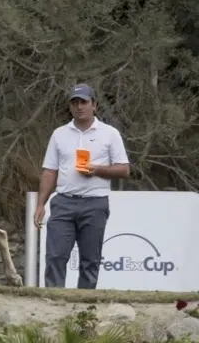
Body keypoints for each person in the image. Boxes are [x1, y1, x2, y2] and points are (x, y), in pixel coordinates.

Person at [33, 83, 130, 289]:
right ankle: (54, 303)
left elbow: (124, 169)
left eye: (84, 102)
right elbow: (50, 171)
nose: (79, 107)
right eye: (75, 102)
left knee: (90, 261)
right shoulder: (59, 133)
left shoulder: (109, 133)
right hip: (64, 202)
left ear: (94, 105)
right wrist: (41, 204)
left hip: (95, 203)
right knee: (55, 256)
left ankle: (84, 308)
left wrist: (96, 170)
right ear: (70, 107)